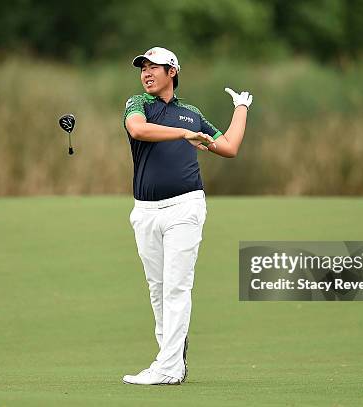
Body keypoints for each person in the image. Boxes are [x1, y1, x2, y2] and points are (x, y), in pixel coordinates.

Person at [121, 47, 252, 385]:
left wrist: (241, 108)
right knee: (158, 288)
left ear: (172, 72)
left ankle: (167, 366)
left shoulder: (191, 114)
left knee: (176, 287)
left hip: (185, 206)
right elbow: (138, 130)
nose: (147, 73)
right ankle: (172, 358)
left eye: (155, 67)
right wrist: (182, 134)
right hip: (146, 211)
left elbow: (229, 147)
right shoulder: (138, 104)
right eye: (143, 68)